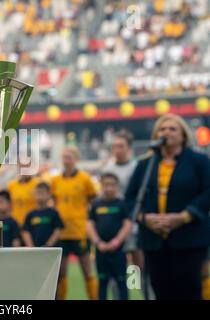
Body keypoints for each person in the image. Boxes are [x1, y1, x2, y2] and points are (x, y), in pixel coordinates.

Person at [126, 114, 210, 300]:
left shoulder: (199, 161)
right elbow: (130, 198)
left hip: (189, 238)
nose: (166, 132)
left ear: (183, 135)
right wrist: (145, 218)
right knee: (161, 290)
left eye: (172, 129)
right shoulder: (145, 164)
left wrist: (184, 216)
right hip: (154, 241)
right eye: (162, 129)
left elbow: (207, 192)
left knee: (189, 291)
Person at [101, 130, 146, 298]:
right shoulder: (108, 168)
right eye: (114, 146)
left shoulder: (136, 168)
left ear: (129, 148)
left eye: (120, 146)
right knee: (115, 267)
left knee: (139, 265)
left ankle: (145, 294)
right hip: (114, 225)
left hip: (134, 224)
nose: (117, 149)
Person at [51, 145, 98, 300]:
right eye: (64, 157)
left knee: (87, 271)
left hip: (79, 231)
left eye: (70, 156)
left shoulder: (85, 179)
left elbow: (93, 200)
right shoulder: (56, 180)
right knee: (61, 273)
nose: (67, 160)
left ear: (76, 159)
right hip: (62, 233)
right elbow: (55, 202)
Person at [87, 173, 132, 300]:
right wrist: (98, 242)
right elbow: (90, 225)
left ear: (117, 186)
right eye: (106, 185)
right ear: (101, 186)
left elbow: (127, 224)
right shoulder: (96, 204)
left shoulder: (122, 204)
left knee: (122, 283)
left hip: (118, 251)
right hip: (101, 251)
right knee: (102, 283)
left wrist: (116, 241)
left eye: (112, 185)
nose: (109, 188)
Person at [22, 182, 63, 247]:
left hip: (50, 250)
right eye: (37, 193)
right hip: (34, 251)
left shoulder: (54, 213)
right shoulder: (30, 214)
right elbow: (26, 231)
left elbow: (57, 230)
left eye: (41, 193)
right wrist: (31, 247)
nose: (39, 195)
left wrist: (48, 245)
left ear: (49, 195)